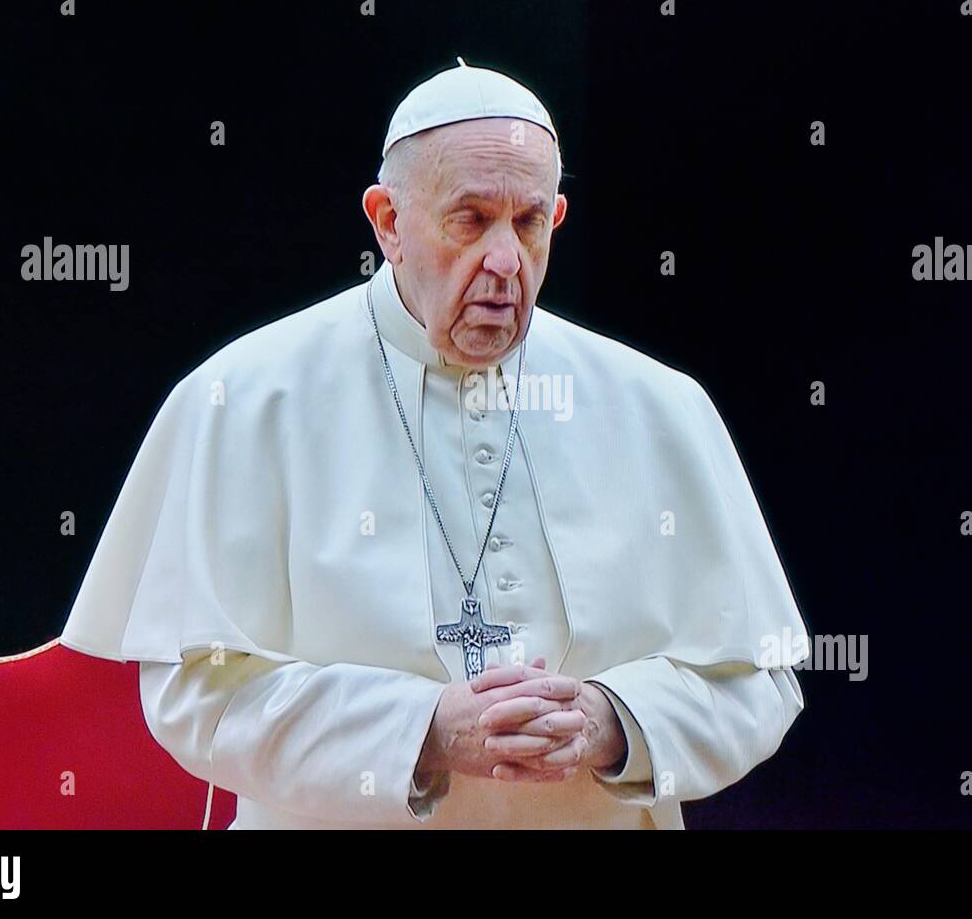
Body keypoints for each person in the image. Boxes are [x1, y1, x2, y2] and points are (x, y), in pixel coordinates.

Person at [61, 57, 809, 829]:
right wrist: (420, 730)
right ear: (388, 221)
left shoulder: (660, 406)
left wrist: (616, 722)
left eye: (527, 223)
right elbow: (196, 693)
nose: (504, 262)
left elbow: (760, 677)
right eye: (470, 218)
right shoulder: (247, 398)